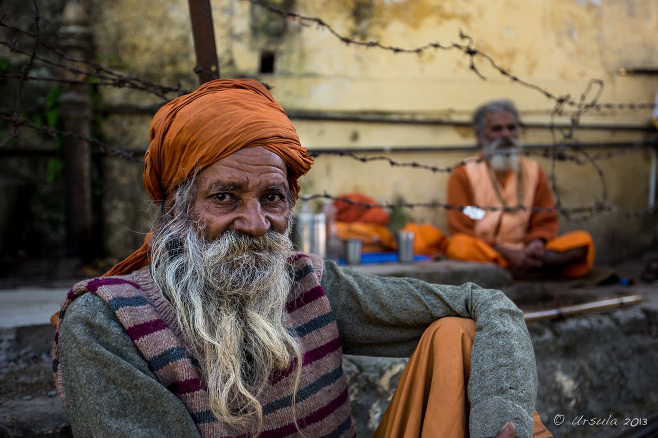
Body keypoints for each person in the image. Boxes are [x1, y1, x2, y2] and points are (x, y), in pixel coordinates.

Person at [51, 80, 551, 438]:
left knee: (455, 334)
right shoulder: (106, 322)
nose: (256, 222)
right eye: (224, 197)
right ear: (178, 209)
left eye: (272, 198)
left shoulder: (304, 280)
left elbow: (483, 303)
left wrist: (496, 417)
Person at [445, 99, 595, 279]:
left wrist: (536, 243)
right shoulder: (464, 172)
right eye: (497, 129)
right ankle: (524, 267)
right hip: (488, 248)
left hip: (526, 247)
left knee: (583, 241)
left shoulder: (533, 170)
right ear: (479, 135)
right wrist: (505, 251)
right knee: (459, 245)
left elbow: (544, 220)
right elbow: (462, 222)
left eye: (511, 127)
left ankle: (515, 267)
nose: (506, 134)